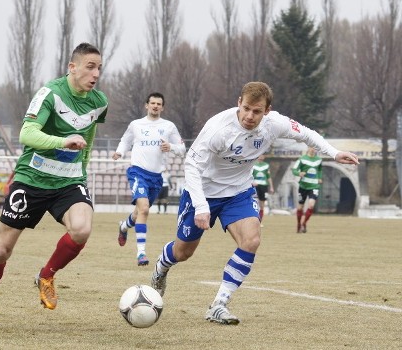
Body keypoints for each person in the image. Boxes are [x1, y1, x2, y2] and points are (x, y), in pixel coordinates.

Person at [150, 81, 359, 325]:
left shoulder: (275, 124)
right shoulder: (218, 129)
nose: (249, 116)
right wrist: (202, 207)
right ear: (239, 102)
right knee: (183, 252)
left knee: (252, 240)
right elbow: (192, 167)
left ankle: (219, 304)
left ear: (267, 111)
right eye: (246, 108)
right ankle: (160, 269)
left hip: (239, 192)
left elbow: (306, 133)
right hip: (203, 191)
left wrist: (334, 153)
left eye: (257, 111)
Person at [0, 43, 108, 332]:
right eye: (90, 66)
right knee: (2, 250)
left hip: (69, 180)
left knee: (81, 229)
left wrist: (82, 170)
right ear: (72, 67)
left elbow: (89, 136)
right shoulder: (50, 93)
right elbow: (27, 134)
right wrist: (62, 141)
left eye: (99, 68)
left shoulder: (99, 101)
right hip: (31, 180)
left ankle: (46, 275)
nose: (95, 74)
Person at [113, 92, 185, 266]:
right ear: (146, 105)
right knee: (144, 209)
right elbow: (125, 140)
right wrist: (120, 151)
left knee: (139, 212)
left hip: (156, 177)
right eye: (152, 103)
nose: (155, 106)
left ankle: (124, 226)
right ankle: (141, 254)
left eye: (158, 104)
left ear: (162, 107)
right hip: (138, 172)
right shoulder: (136, 125)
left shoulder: (168, 126)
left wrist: (172, 147)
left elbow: (182, 149)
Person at [292, 146, 322, 233]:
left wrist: (319, 177)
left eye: (315, 148)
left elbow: (320, 169)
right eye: (311, 147)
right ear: (308, 148)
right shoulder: (302, 159)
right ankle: (298, 224)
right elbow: (294, 170)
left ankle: (304, 223)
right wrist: (299, 173)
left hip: (314, 186)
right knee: (300, 207)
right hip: (303, 186)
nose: (313, 149)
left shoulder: (318, 160)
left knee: (311, 205)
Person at [251, 154, 274, 225]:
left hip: (263, 186)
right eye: (260, 155)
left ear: (264, 156)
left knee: (262, 203)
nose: (261, 156)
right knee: (252, 202)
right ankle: (251, 220)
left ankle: (259, 221)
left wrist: (271, 187)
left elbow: (269, 176)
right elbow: (249, 175)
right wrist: (252, 182)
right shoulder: (253, 164)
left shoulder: (266, 165)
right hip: (254, 185)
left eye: (262, 155)